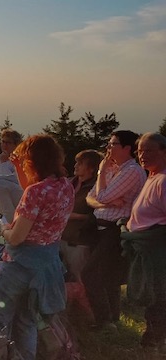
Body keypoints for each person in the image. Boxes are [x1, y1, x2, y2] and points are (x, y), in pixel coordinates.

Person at [0, 135, 74, 360]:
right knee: (27, 318)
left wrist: (3, 229)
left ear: (33, 161)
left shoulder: (35, 193)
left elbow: (16, 238)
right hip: (47, 264)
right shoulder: (65, 186)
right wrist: (16, 166)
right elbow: (34, 190)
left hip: (21, 264)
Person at [81, 130, 146, 331]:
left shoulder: (131, 171)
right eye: (108, 144)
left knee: (90, 273)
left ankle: (103, 320)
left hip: (114, 229)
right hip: (100, 228)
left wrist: (100, 172)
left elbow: (102, 195)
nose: (109, 148)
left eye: (113, 144)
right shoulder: (112, 169)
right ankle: (112, 318)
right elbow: (91, 198)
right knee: (108, 275)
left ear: (127, 148)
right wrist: (104, 203)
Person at [120, 132, 166, 350]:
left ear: (164, 152)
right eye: (140, 151)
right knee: (153, 296)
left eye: (149, 151)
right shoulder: (152, 176)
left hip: (156, 250)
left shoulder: (164, 181)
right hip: (144, 247)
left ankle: (154, 343)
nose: (142, 155)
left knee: (158, 297)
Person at [59, 150, 102, 282]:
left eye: (81, 163)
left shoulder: (97, 187)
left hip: (80, 242)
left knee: (80, 280)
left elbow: (98, 216)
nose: (75, 165)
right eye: (77, 162)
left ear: (92, 168)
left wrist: (75, 216)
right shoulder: (68, 183)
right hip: (61, 239)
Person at [0, 129, 24, 225]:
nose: (4, 145)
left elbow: (16, 179)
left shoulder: (19, 161)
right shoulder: (0, 159)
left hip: (12, 199)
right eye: (3, 142)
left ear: (16, 145)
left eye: (8, 143)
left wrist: (6, 162)